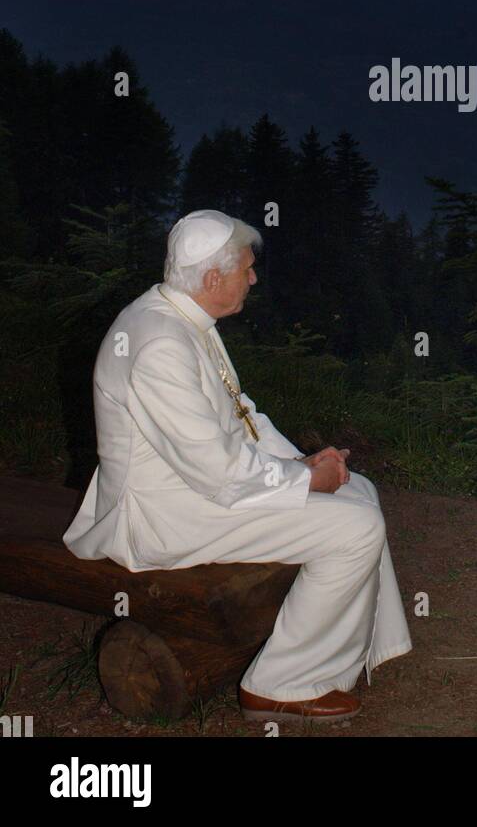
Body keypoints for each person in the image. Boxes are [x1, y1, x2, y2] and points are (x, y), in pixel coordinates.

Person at [63, 209, 412, 724]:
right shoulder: (161, 343)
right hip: (163, 513)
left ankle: (353, 646)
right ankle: (279, 685)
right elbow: (217, 472)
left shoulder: (181, 316)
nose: (253, 277)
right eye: (246, 268)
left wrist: (301, 462)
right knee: (356, 527)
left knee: (358, 489)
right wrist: (304, 481)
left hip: (194, 488)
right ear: (211, 279)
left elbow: (239, 411)